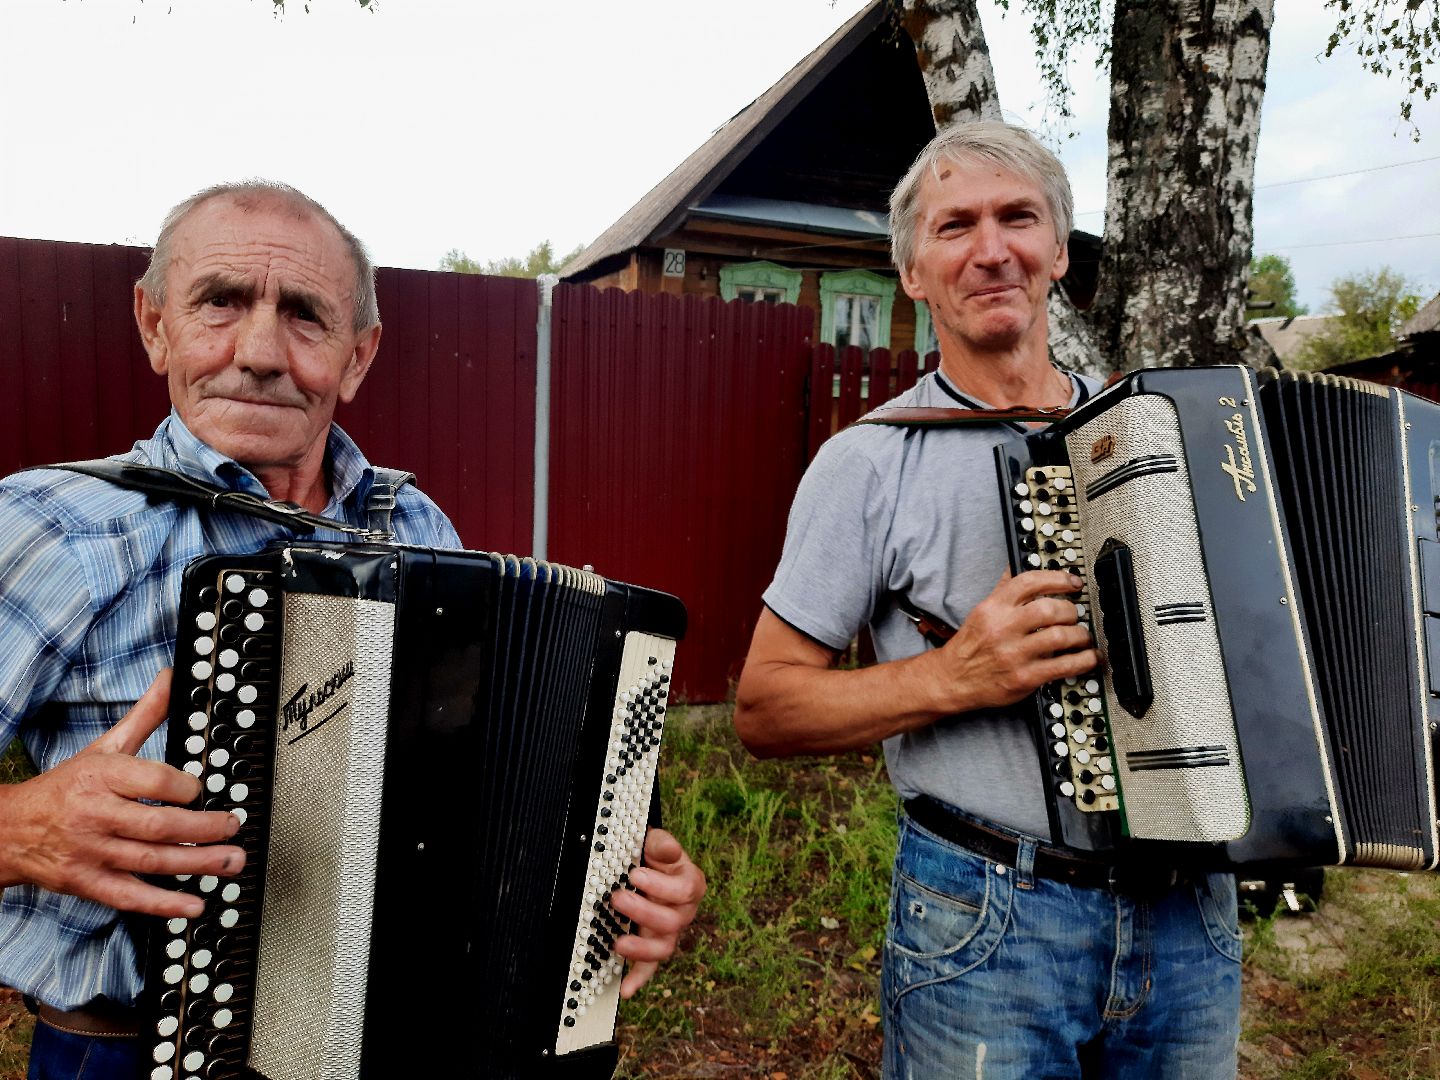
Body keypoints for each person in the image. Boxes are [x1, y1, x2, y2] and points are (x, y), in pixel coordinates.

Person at [0, 180, 706, 1079]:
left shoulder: (420, 532)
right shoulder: (51, 528)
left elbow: (494, 800)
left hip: (408, 1041)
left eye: (305, 317)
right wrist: (20, 827)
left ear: (360, 354)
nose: (259, 352)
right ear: (154, 324)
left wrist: (626, 888)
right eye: (219, 302)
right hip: (126, 1055)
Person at [733, 122, 1241, 1079]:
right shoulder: (868, 463)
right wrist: (953, 675)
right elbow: (763, 706)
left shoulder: (1160, 438)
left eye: (1019, 217)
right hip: (989, 920)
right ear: (914, 273)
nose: (991, 248)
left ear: (1057, 250)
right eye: (954, 226)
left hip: (1192, 917)